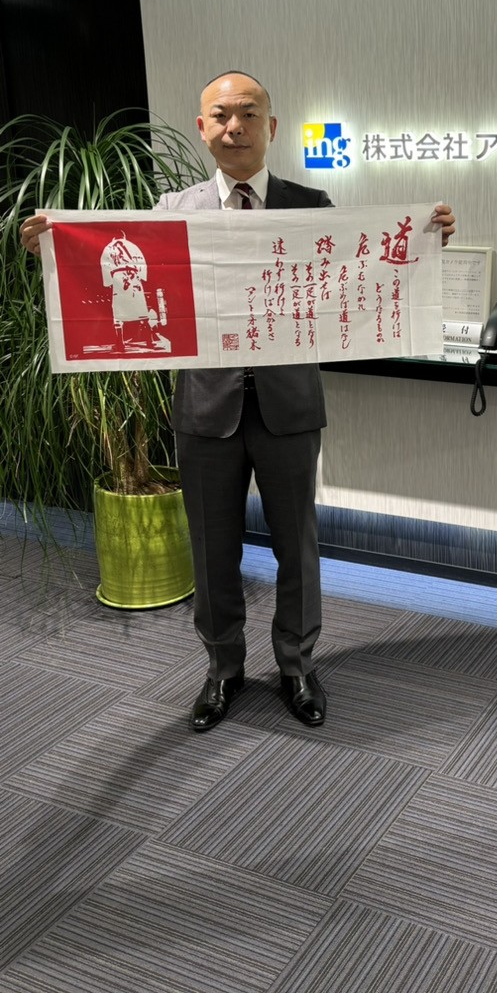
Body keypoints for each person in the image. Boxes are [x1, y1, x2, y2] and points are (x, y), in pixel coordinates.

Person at [21, 70, 456, 732]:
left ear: (270, 127)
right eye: (221, 115)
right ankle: (222, 668)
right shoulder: (173, 210)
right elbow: (117, 272)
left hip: (289, 408)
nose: (234, 127)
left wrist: (427, 239)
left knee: (296, 546)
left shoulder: (310, 205)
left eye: (248, 113)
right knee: (211, 549)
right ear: (202, 128)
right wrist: (51, 247)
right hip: (205, 409)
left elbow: (356, 271)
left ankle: (297, 665)